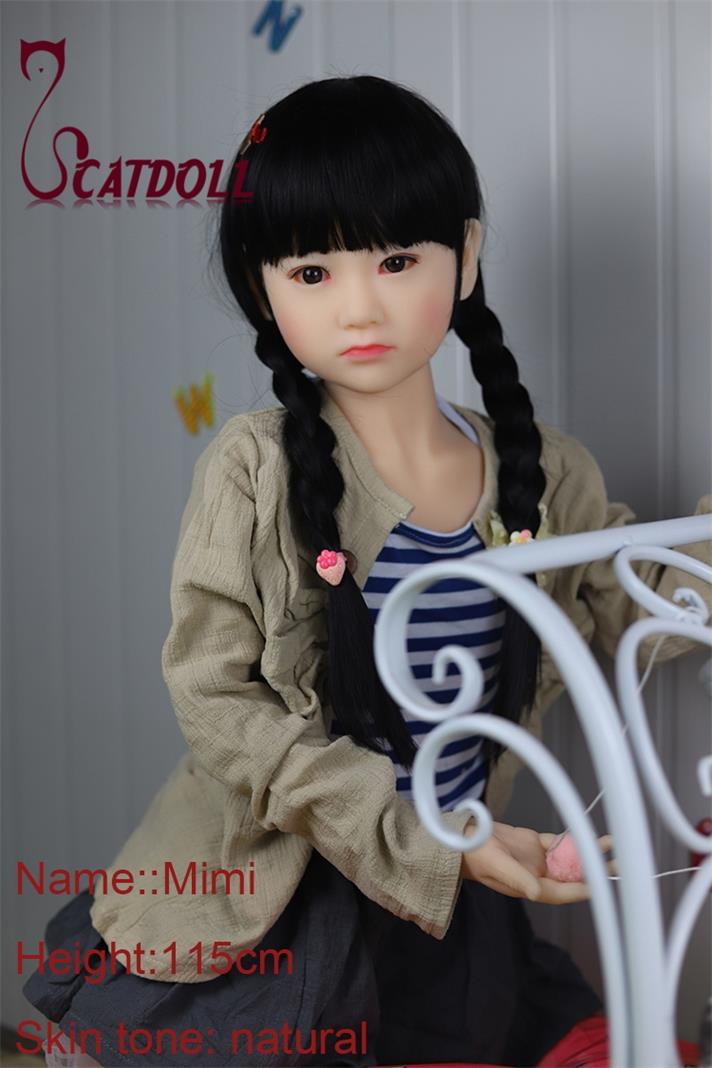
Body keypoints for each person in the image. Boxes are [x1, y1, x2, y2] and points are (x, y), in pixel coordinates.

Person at [22, 74, 710, 1068]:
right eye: (312, 271)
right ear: (262, 284)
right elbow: (216, 697)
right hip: (271, 899)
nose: (359, 306)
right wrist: (424, 839)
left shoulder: (547, 474)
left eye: (395, 260)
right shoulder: (255, 469)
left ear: (465, 255)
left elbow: (643, 598)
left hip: (445, 899)